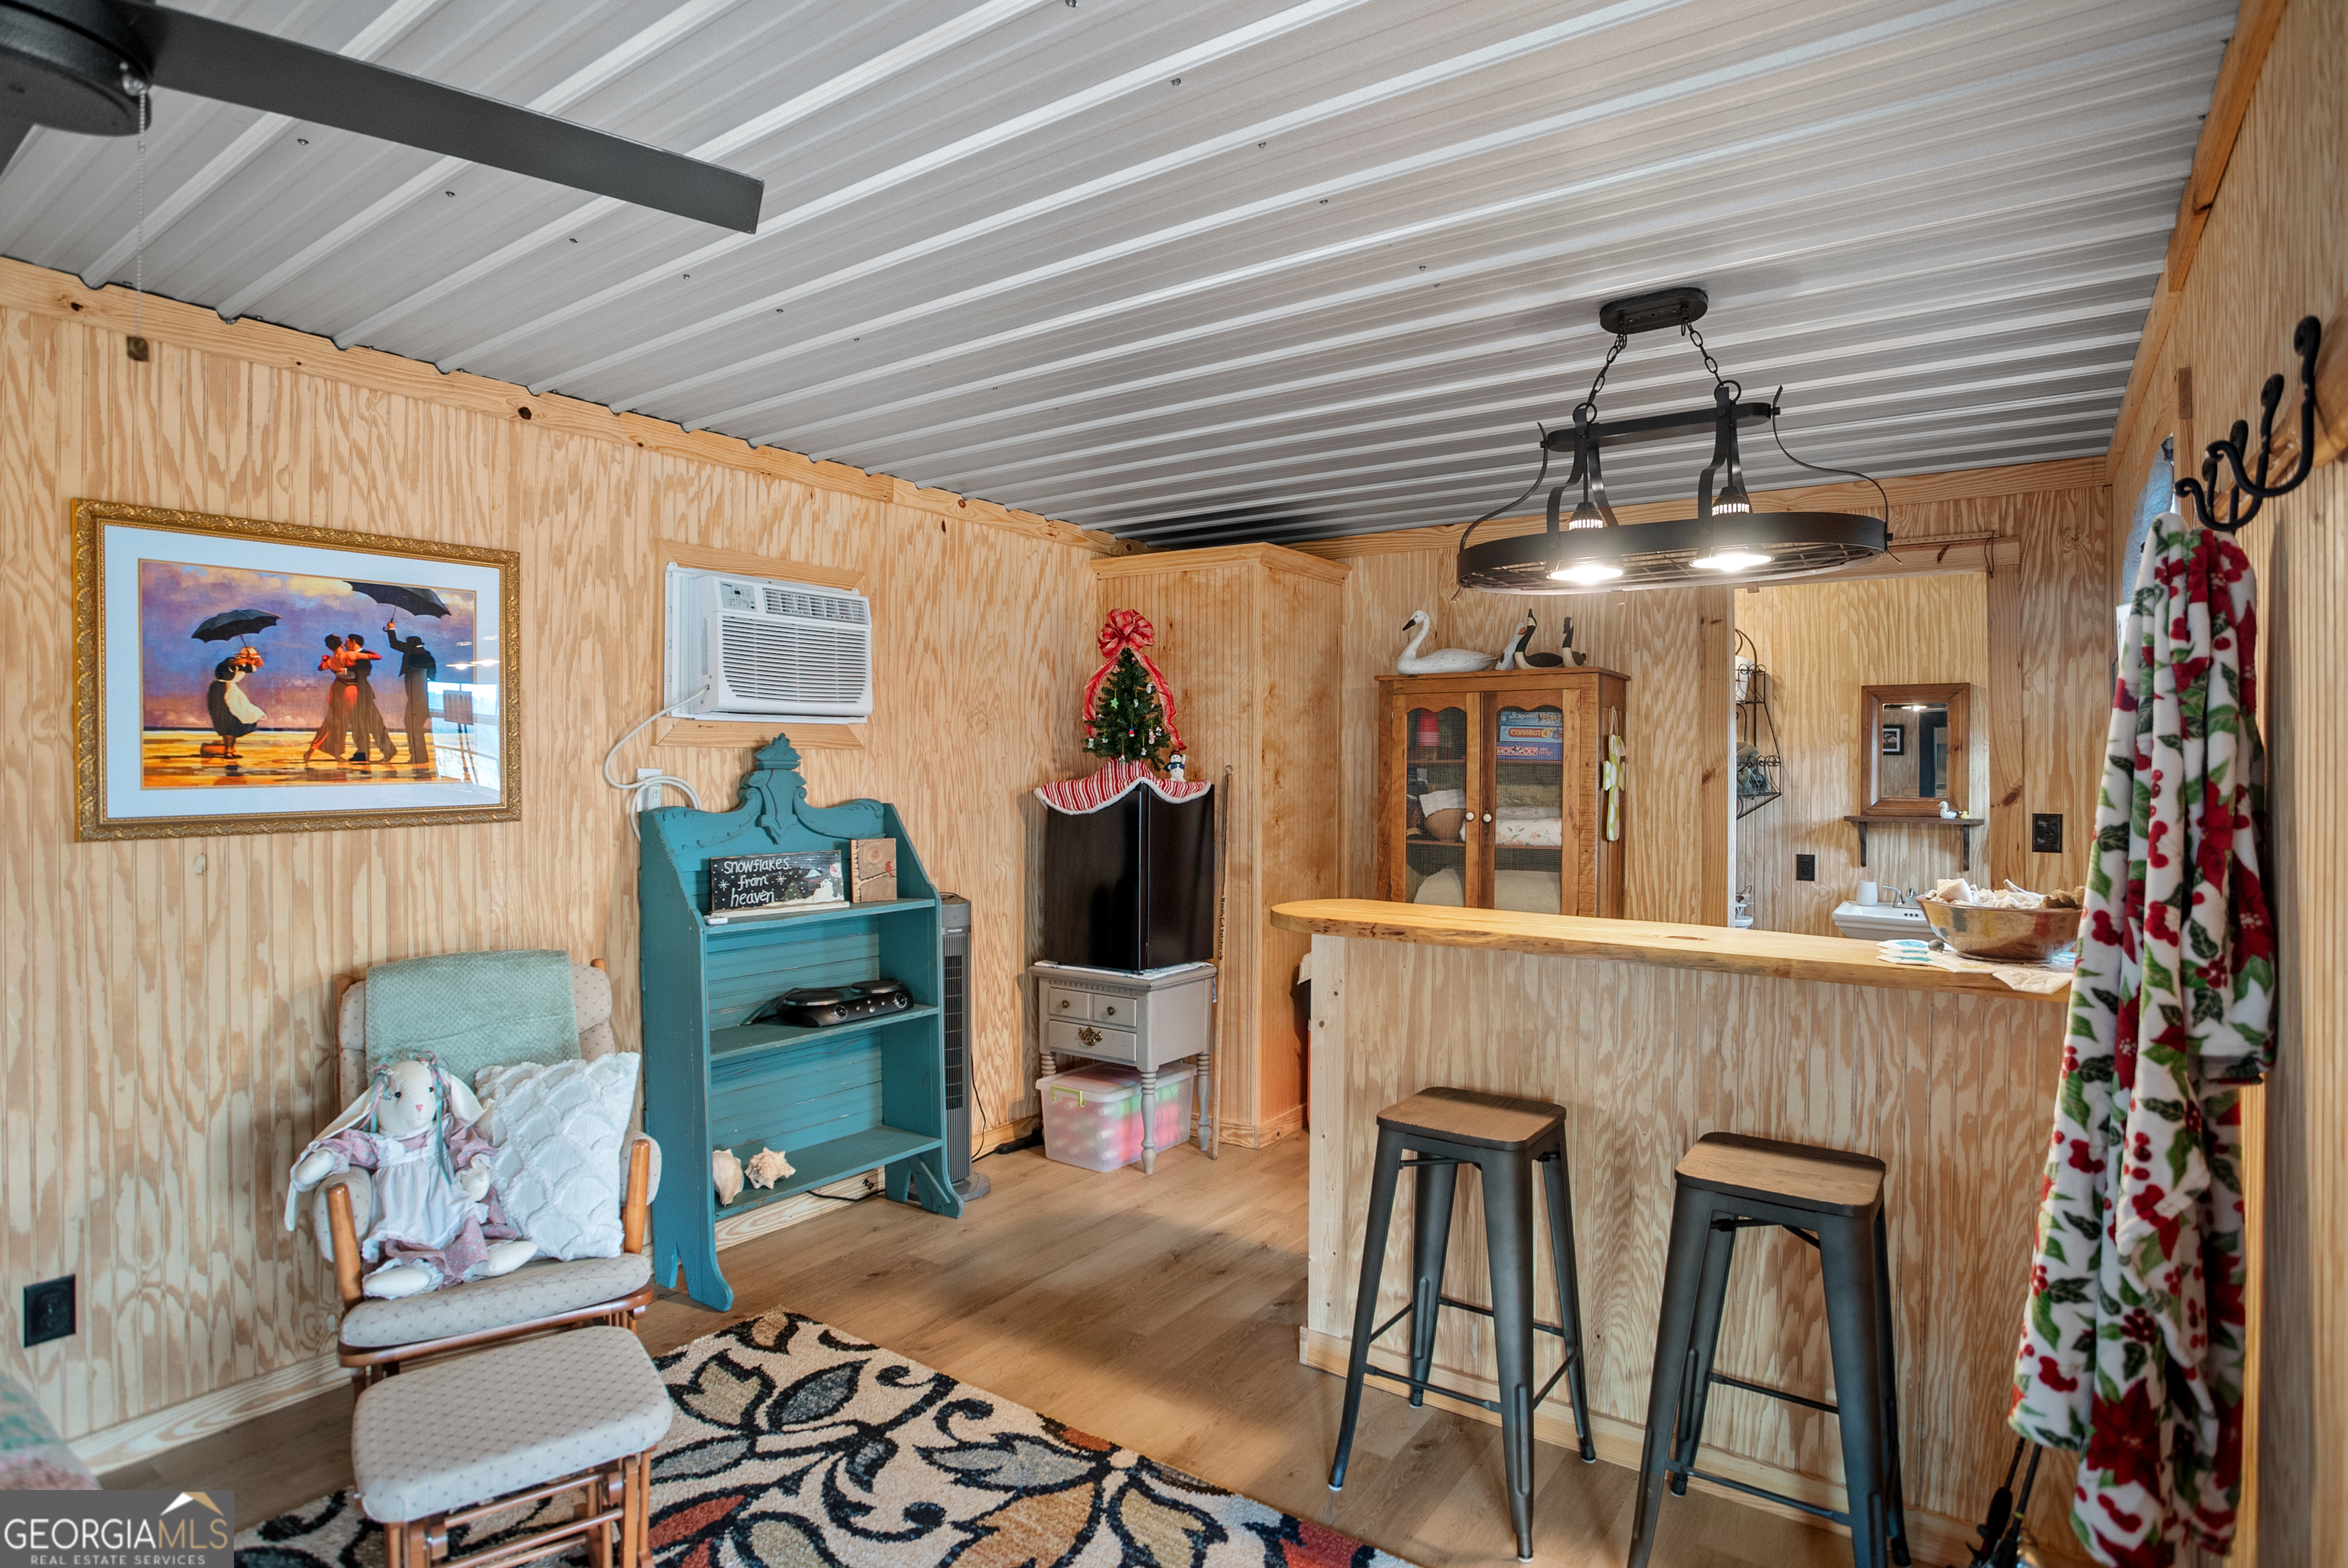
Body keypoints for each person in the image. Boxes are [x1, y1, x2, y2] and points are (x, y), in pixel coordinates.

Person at [383, 619, 436, 768]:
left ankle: (418, 757)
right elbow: (433, 678)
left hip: (415, 701)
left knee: (412, 727)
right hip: (423, 700)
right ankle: (420, 756)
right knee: (415, 728)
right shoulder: (428, 656)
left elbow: (394, 644)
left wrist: (391, 629)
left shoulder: (413, 654)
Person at [340, 632, 397, 763]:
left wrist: (347, 670)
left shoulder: (364, 655)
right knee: (357, 724)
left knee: (374, 723)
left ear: (353, 641)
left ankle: (387, 750)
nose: (345, 644)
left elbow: (365, 672)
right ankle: (362, 751)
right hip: (355, 694)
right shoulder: (353, 655)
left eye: (347, 641)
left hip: (362, 693)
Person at [206, 646, 264, 759]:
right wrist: (248, 658)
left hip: (232, 691)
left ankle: (231, 749)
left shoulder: (244, 665)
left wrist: (255, 656)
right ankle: (228, 750)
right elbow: (234, 663)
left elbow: (260, 664)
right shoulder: (230, 661)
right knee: (226, 720)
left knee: (237, 720)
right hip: (220, 691)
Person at [303, 635, 354, 763]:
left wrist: (324, 660)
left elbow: (321, 668)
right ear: (341, 644)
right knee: (340, 723)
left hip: (337, 689)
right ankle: (336, 753)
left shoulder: (330, 660)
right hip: (347, 691)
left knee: (331, 721)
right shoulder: (348, 656)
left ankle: (315, 748)